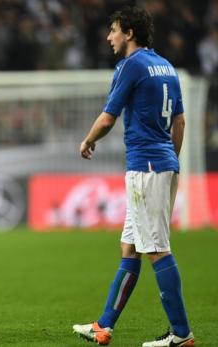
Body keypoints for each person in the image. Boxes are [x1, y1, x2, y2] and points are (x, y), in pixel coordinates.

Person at [72, 6, 194, 347]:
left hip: (147, 167)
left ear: (128, 32)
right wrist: (170, 159)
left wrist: (88, 139)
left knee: (156, 248)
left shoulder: (131, 65)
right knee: (130, 246)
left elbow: (108, 118)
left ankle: (181, 334)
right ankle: (104, 325)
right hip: (164, 163)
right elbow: (180, 122)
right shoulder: (166, 66)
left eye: (113, 30)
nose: (109, 37)